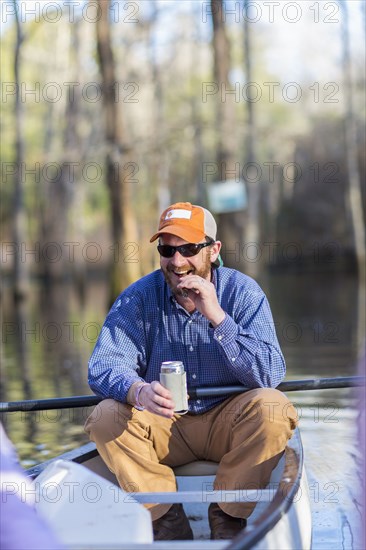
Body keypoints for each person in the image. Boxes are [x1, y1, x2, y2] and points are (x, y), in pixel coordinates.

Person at [85, 202, 298, 541]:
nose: (177, 261)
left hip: (230, 423)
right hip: (165, 424)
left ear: (213, 251)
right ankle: (166, 517)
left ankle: (227, 514)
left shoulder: (243, 293)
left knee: (274, 407)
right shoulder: (138, 298)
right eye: (167, 250)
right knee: (105, 416)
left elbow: (270, 374)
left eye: (188, 248)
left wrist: (218, 317)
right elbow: (103, 366)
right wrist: (138, 390)